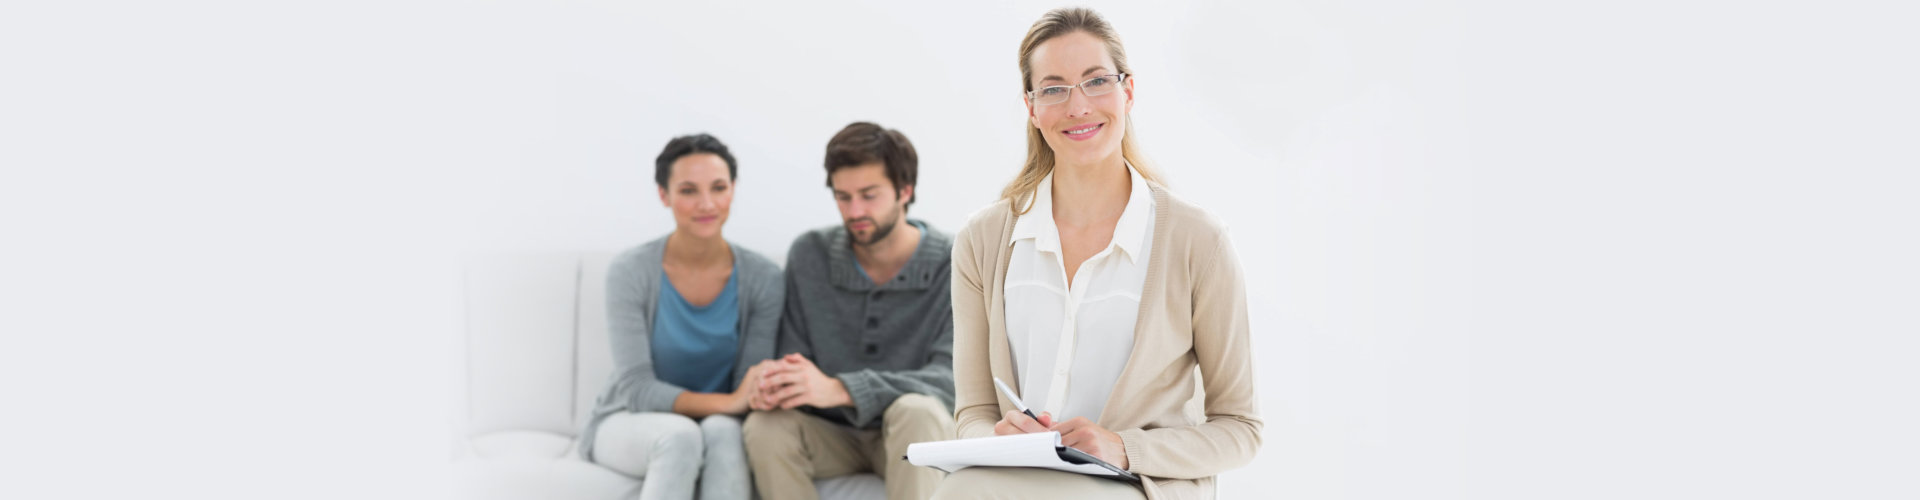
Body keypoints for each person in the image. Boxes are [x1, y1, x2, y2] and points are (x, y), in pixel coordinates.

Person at [933, 7, 1263, 499]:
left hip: (1135, 484)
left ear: (1128, 91)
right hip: (1018, 478)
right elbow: (974, 415)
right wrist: (999, 441)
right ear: (1031, 106)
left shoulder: (1198, 241)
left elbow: (1240, 428)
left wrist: (1122, 448)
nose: (1078, 106)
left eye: (1096, 81)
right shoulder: (983, 240)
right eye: (1054, 88)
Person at [741, 122, 956, 500]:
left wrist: (842, 389)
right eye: (843, 197)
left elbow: (950, 384)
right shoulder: (810, 254)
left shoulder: (954, 262)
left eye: (869, 195)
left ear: (905, 191)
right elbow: (795, 359)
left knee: (918, 411)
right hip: (831, 436)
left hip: (914, 433)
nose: (854, 211)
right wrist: (776, 386)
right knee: (764, 426)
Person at [581, 133, 785, 500]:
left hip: (718, 423)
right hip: (627, 420)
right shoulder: (630, 271)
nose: (706, 203)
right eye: (689, 190)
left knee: (724, 432)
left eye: (718, 187)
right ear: (664, 195)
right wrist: (730, 401)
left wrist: (733, 405)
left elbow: (749, 382)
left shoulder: (764, 279)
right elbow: (639, 391)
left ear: (733, 190)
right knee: (679, 436)